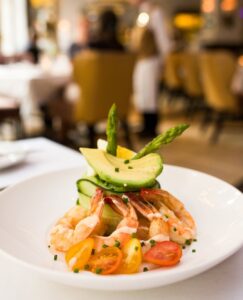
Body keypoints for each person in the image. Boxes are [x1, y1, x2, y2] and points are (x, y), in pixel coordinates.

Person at [130, 0, 172, 137]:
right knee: (142, 95)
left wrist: (164, 62)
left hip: (151, 60)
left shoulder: (155, 13)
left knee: (150, 95)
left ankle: (152, 128)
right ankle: (145, 125)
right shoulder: (142, 14)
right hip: (141, 61)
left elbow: (163, 41)